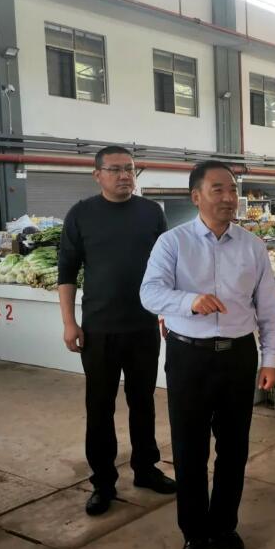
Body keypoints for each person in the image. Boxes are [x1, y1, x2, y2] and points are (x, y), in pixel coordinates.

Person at [140, 160, 275, 549]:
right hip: (189, 357)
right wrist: (190, 301)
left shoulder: (252, 246)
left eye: (232, 189)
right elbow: (149, 293)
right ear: (196, 196)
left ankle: (223, 526)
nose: (228, 197)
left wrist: (270, 359)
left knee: (234, 449)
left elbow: (268, 309)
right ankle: (194, 532)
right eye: (217, 189)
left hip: (238, 356)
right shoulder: (173, 243)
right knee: (190, 450)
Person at [58, 146, 175, 517]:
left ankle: (146, 468)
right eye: (116, 169)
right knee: (99, 406)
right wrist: (69, 322)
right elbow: (66, 272)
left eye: (130, 169)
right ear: (98, 175)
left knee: (143, 402)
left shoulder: (151, 212)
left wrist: (168, 312)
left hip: (143, 326)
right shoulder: (81, 214)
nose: (125, 176)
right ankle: (103, 482)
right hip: (99, 329)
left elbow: (167, 267)